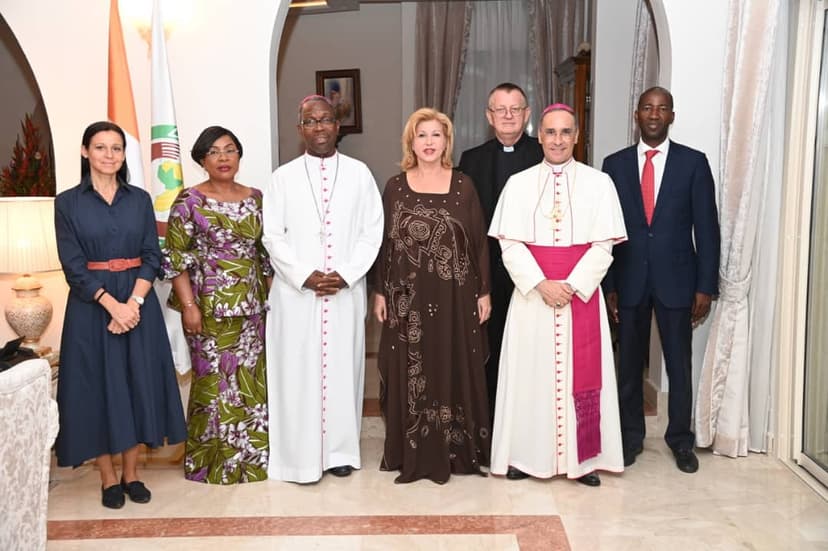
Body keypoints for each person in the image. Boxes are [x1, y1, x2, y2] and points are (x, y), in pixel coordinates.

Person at [489, 104, 627, 487]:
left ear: (577, 136)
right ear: (540, 136)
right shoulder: (518, 184)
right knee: (529, 378)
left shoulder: (600, 184)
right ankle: (524, 457)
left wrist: (573, 285)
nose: (558, 140)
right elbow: (509, 244)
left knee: (581, 378)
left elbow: (604, 246)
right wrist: (541, 283)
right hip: (532, 298)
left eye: (566, 132)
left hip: (580, 297)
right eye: (550, 132)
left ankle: (583, 461)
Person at [54, 121, 187, 509]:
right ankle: (108, 478)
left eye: (116, 148)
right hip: (91, 307)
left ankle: (131, 474)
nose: (109, 155)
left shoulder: (140, 199)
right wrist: (113, 306)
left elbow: (152, 256)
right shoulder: (67, 202)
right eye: (100, 147)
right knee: (97, 389)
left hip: (137, 303)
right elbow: (72, 264)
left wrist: (133, 304)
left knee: (135, 384)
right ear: (85, 152)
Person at [263, 95, 383, 483]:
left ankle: (339, 452)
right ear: (300, 128)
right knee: (297, 372)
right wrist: (305, 275)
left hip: (345, 291)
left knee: (343, 370)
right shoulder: (282, 178)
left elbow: (372, 233)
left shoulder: (360, 174)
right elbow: (272, 237)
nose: (319, 127)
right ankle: (297, 457)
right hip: (296, 294)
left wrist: (346, 274)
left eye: (326, 119)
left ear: (337, 125)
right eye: (311, 121)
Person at [602, 86, 720, 474]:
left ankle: (681, 440)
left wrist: (705, 286)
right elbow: (606, 230)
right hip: (629, 279)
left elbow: (707, 229)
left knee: (679, 366)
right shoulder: (614, 165)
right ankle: (629, 438)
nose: (654, 114)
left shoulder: (693, 163)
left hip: (678, 281)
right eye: (647, 108)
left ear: (672, 116)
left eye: (662, 108)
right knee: (628, 366)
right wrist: (610, 285)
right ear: (636, 114)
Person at [373, 108, 492, 484]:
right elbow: (384, 245)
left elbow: (478, 243)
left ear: (446, 142)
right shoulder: (395, 186)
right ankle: (413, 449)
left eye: (436, 135)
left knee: (451, 360)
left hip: (456, 296)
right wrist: (380, 292)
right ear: (411, 142)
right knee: (412, 368)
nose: (428, 142)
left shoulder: (464, 185)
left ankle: (457, 448)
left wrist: (484, 291)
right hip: (406, 298)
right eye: (421, 135)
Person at [162, 126, 273, 484]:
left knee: (250, 384)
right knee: (214, 385)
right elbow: (175, 258)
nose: (223, 157)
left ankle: (252, 463)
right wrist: (188, 305)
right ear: (202, 160)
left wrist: (271, 301)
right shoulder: (189, 201)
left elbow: (265, 256)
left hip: (252, 309)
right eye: (214, 152)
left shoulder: (257, 198)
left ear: (239, 155)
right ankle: (210, 465)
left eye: (230, 150)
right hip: (208, 308)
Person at [458, 83, 543, 421]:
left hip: (535, 272)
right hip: (487, 272)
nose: (508, 116)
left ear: (527, 114)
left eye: (515, 109)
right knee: (489, 348)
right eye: (500, 109)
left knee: (530, 349)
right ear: (489, 116)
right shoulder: (471, 160)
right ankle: (491, 422)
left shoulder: (544, 153)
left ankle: (529, 419)